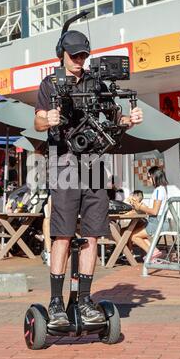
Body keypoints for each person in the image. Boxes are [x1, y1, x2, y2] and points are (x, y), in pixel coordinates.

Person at [34, 28, 143, 327]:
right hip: (64, 162)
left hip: (94, 163)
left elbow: (115, 120)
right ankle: (56, 302)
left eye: (84, 55)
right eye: (75, 55)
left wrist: (129, 121)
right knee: (63, 234)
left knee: (93, 234)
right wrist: (48, 119)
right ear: (62, 54)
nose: (80, 60)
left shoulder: (97, 84)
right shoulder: (50, 83)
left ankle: (83, 300)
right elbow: (37, 120)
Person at [130, 167, 169, 261]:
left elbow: (155, 211)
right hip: (158, 222)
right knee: (137, 233)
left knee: (133, 236)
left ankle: (153, 253)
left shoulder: (159, 191)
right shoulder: (161, 189)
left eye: (149, 177)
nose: (148, 179)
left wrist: (140, 207)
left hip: (157, 223)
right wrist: (141, 207)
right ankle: (154, 252)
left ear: (154, 176)